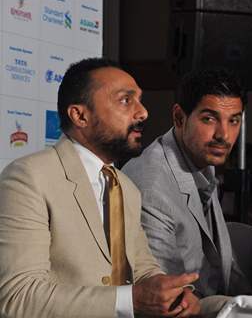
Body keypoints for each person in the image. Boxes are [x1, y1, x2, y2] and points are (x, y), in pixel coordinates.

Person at [0, 58, 200, 317]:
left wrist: (177, 296)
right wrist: (133, 301)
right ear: (80, 115)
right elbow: (18, 297)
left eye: (139, 100)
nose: (143, 112)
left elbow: (144, 271)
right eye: (126, 100)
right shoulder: (29, 178)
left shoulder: (126, 188)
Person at [122, 68, 252, 314]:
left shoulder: (202, 161)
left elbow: (228, 272)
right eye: (209, 119)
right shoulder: (151, 186)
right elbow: (165, 295)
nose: (223, 135)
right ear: (180, 118)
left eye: (233, 120)